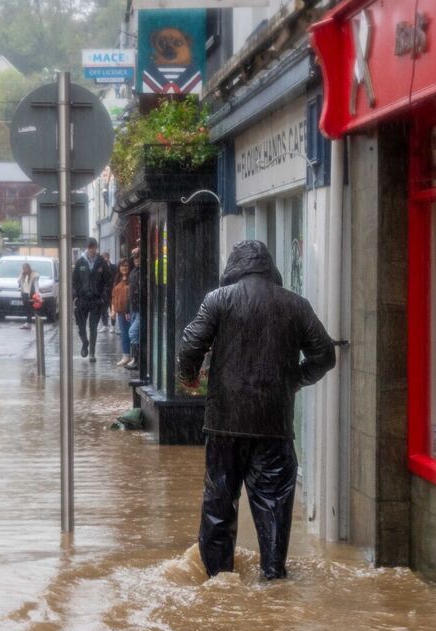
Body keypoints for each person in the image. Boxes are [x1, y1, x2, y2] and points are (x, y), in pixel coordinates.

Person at [178, 240, 336, 580]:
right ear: (269, 268)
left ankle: (218, 580)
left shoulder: (218, 300)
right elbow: (325, 356)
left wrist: (189, 378)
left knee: (220, 501)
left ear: (235, 267)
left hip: (224, 423)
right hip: (273, 423)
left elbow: (190, 344)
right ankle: (273, 576)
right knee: (275, 506)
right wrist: (293, 379)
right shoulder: (296, 305)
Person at [72, 238, 109, 362]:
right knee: (81, 326)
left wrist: (103, 297)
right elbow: (74, 281)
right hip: (82, 300)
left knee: (93, 327)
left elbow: (107, 281)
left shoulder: (101, 262)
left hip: (96, 301)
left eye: (94, 247)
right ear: (87, 248)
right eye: (90, 247)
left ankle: (92, 353)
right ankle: (85, 342)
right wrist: (76, 295)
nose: (92, 250)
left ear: (96, 248)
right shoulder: (80, 262)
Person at [111, 258, 133, 366]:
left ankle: (134, 356)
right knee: (124, 334)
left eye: (126, 265)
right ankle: (126, 356)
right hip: (120, 312)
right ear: (119, 267)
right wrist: (113, 310)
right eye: (122, 265)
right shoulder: (117, 279)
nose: (124, 268)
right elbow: (113, 296)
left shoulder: (131, 279)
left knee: (132, 334)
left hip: (129, 311)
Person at [125, 250, 142, 371]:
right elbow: (129, 293)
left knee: (133, 332)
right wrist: (127, 309)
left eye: (138, 258)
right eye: (134, 258)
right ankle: (136, 358)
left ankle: (137, 359)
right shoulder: (133, 273)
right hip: (134, 308)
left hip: (141, 308)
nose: (136, 260)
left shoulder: (143, 272)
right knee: (135, 333)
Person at [17, 262, 39, 330]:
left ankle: (29, 323)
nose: (24, 270)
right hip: (24, 294)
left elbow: (36, 285)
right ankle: (28, 323)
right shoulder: (23, 275)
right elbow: (18, 281)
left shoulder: (33, 275)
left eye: (25, 268)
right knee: (26, 308)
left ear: (28, 268)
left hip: (31, 294)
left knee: (30, 309)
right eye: (23, 268)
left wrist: (37, 294)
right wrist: (21, 274)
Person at [99, 251, 115, 329]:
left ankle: (113, 325)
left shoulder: (113, 267)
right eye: (103, 257)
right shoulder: (99, 268)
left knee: (112, 308)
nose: (104, 259)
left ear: (108, 257)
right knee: (103, 309)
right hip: (102, 291)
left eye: (105, 257)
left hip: (112, 291)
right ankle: (105, 325)